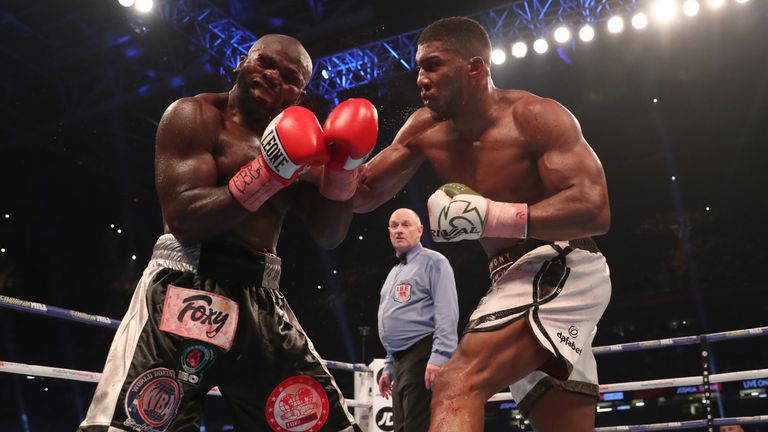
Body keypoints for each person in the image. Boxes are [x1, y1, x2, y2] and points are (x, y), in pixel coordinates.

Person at [78, 34, 377, 432]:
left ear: (299, 96)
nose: (274, 76)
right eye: (266, 63)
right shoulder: (193, 115)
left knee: (320, 424)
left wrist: (343, 171)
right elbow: (184, 219)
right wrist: (268, 174)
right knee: (135, 425)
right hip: (185, 287)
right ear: (241, 62)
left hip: (261, 295)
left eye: (290, 77)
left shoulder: (306, 144)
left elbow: (328, 234)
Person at [355, 17, 611, 432]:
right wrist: (332, 164)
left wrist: (493, 215)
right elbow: (363, 195)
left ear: (475, 68)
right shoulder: (424, 128)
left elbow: (595, 208)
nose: (422, 79)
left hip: (561, 263)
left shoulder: (535, 117)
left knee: (458, 382)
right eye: (419, 67)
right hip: (508, 277)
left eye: (434, 66)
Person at [377, 208, 459, 432]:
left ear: (420, 230)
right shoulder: (394, 273)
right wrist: (389, 366)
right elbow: (395, 324)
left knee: (417, 427)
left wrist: (439, 357)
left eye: (405, 225)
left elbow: (447, 312)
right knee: (402, 428)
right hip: (401, 361)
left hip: (423, 354)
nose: (399, 230)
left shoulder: (434, 262)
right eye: (394, 226)